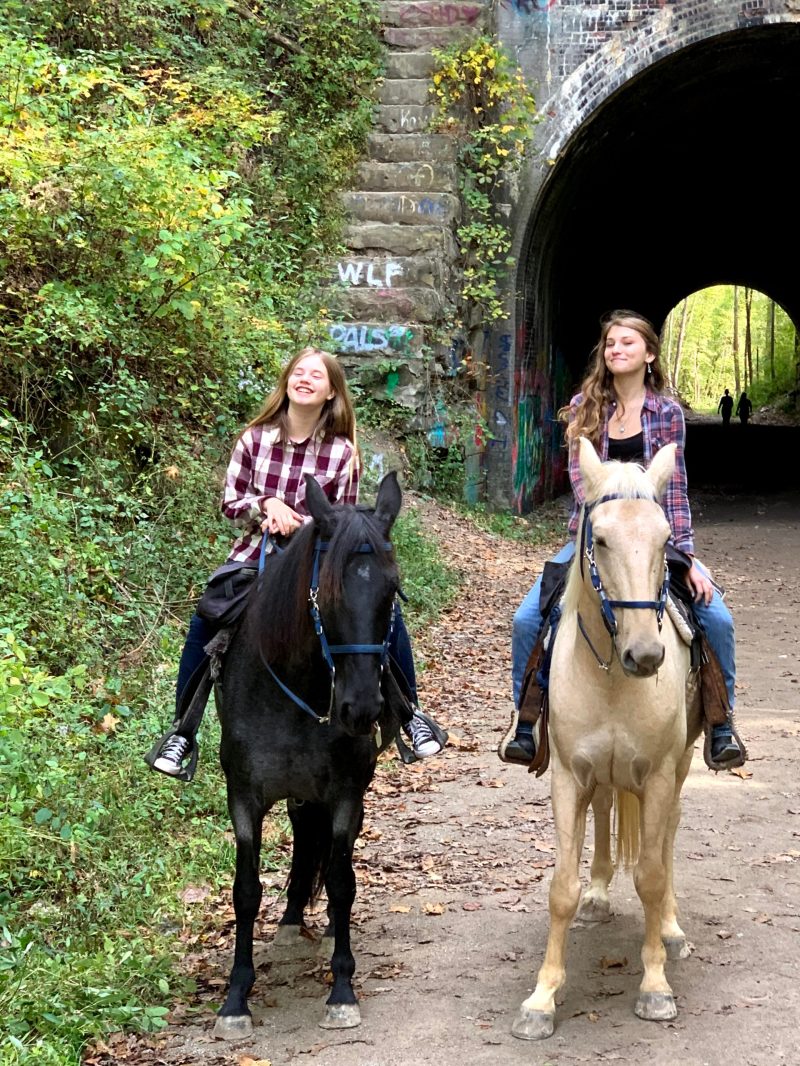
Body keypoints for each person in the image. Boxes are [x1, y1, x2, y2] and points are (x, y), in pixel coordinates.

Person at [149, 346, 444, 778]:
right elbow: (230, 503)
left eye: (317, 376)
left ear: (330, 393)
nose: (305, 379)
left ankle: (408, 714)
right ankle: (183, 732)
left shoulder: (343, 452)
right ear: (287, 382)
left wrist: (301, 522)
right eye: (298, 373)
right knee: (207, 619)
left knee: (385, 614)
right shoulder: (253, 439)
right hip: (255, 558)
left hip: (319, 564)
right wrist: (267, 505)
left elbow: (344, 522)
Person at [499, 310, 743, 769]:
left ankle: (720, 722)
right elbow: (582, 484)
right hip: (597, 538)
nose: (616, 350)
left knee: (719, 619)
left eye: (628, 343)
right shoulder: (583, 407)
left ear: (648, 353)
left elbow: (674, 488)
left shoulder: (667, 413)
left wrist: (686, 556)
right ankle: (527, 721)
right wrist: (610, 519)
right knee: (527, 619)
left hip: (653, 540)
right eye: (611, 343)